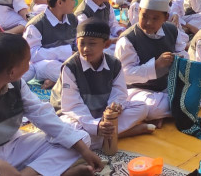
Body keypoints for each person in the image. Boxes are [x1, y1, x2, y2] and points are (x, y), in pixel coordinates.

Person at [0, 33, 102, 175]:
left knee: (80, 139)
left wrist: (83, 150)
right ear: (12, 71)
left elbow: (42, 115)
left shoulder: (16, 84)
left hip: (14, 146)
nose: (30, 66)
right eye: (27, 61)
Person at [51, 19, 155, 150]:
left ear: (106, 44)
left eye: (92, 43)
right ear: (76, 42)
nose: (86, 49)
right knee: (69, 129)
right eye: (82, 43)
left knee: (142, 107)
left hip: (101, 113)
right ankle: (121, 133)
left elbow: (119, 92)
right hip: (73, 116)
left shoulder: (114, 64)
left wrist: (114, 107)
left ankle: (101, 136)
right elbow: (72, 106)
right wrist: (95, 126)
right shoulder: (70, 67)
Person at [115, 0, 189, 122]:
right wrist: (155, 65)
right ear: (139, 12)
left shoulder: (171, 30)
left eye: (155, 18)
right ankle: (174, 109)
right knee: (153, 108)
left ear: (165, 17)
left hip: (165, 86)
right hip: (137, 90)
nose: (148, 23)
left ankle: (168, 111)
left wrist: (180, 58)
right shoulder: (128, 40)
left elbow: (183, 53)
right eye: (144, 16)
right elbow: (125, 75)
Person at [23, 0, 78, 88]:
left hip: (69, 62)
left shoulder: (73, 19)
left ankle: (57, 80)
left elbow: (76, 46)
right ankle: (69, 80)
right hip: (43, 65)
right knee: (50, 66)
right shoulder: (36, 25)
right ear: (60, 3)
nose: (75, 3)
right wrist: (63, 52)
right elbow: (30, 54)